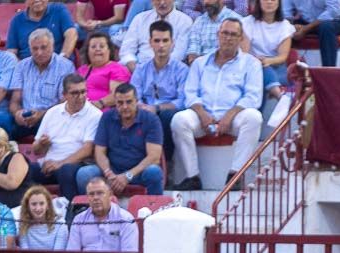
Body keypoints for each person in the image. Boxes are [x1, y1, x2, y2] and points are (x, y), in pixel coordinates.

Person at [170, 19, 262, 191]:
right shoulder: (200, 63)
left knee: (254, 117)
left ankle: (235, 174)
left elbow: (253, 97)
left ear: (241, 38)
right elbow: (190, 93)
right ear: (217, 35)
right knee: (179, 120)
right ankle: (192, 176)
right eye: (225, 33)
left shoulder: (251, 63)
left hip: (234, 119)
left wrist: (230, 115)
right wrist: (201, 113)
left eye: (233, 34)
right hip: (203, 117)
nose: (228, 38)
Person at [80, 82, 164, 196]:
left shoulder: (151, 120)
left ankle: (155, 210)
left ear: (136, 101)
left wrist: (127, 176)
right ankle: (85, 211)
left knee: (153, 171)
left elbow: (154, 157)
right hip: (111, 172)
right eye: (120, 103)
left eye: (129, 102)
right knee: (84, 174)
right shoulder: (107, 117)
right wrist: (108, 172)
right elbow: (99, 152)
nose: (124, 106)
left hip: (138, 173)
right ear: (115, 102)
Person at [30, 75, 102, 199]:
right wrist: (42, 144)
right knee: (27, 169)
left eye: (83, 92)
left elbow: (87, 149)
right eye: (74, 93)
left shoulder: (95, 115)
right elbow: (36, 150)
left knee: (66, 170)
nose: (80, 97)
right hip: (49, 163)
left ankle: (70, 211)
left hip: (76, 163)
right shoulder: (52, 112)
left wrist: (60, 164)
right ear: (64, 95)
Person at [130, 21, 189, 169]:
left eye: (165, 40)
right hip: (144, 111)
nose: (161, 45)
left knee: (165, 116)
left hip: (167, 113)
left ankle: (166, 162)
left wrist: (157, 108)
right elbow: (134, 95)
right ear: (150, 43)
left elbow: (182, 101)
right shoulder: (141, 69)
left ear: (172, 43)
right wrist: (142, 107)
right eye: (157, 40)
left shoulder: (182, 70)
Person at [9, 29, 76, 139]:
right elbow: (14, 101)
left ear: (52, 46)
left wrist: (42, 114)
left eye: (44, 47)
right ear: (30, 49)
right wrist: (17, 113)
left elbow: (64, 103)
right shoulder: (21, 66)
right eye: (35, 48)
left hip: (52, 118)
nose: (39, 52)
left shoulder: (66, 67)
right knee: (2, 127)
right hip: (25, 118)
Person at [243, 0, 296, 105]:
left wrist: (267, 61)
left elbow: (282, 57)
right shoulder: (247, 22)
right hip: (252, 64)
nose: (269, 2)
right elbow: (244, 53)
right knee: (259, 70)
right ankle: (279, 95)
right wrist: (257, 62)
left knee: (262, 72)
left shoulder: (285, 26)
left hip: (277, 66)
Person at [66, 175, 139, 252]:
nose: (95, 198)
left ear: (110, 195)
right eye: (91, 194)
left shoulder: (126, 219)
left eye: (100, 193)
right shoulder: (79, 220)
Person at [118, 0, 192, 70]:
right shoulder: (140, 19)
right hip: (138, 67)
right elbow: (126, 50)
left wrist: (157, 70)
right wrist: (135, 69)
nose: (162, 3)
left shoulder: (185, 21)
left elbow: (179, 55)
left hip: (170, 69)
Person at [285, 0, 340, 68]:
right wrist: (290, 26)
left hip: (335, 20)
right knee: (284, 28)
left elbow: (333, 12)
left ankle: (328, 70)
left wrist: (305, 29)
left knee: (326, 27)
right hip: (306, 21)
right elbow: (285, 13)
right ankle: (287, 69)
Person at [6, 0, 78, 60]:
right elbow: (11, 52)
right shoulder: (16, 20)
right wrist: (21, 68)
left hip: (59, 64)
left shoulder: (59, 10)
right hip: (28, 70)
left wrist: (62, 58)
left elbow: (71, 34)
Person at [78, 30, 130, 109]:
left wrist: (100, 103)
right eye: (93, 47)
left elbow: (118, 95)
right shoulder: (82, 70)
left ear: (109, 50)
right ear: (87, 51)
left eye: (102, 46)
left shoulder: (117, 69)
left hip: (102, 112)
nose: (97, 49)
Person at [17, 184, 69, 250]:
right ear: (27, 206)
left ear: (48, 205)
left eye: (42, 204)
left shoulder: (61, 226)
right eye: (34, 204)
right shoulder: (23, 226)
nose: (38, 208)